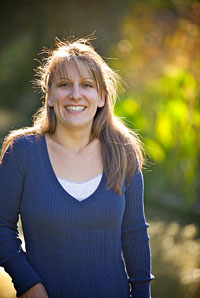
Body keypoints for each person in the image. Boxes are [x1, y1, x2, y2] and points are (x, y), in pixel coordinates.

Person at [0, 37, 154, 298]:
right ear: (49, 97)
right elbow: (2, 226)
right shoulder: (21, 152)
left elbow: (135, 236)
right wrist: (27, 282)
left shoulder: (123, 153)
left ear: (102, 97)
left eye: (86, 85)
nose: (75, 94)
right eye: (63, 85)